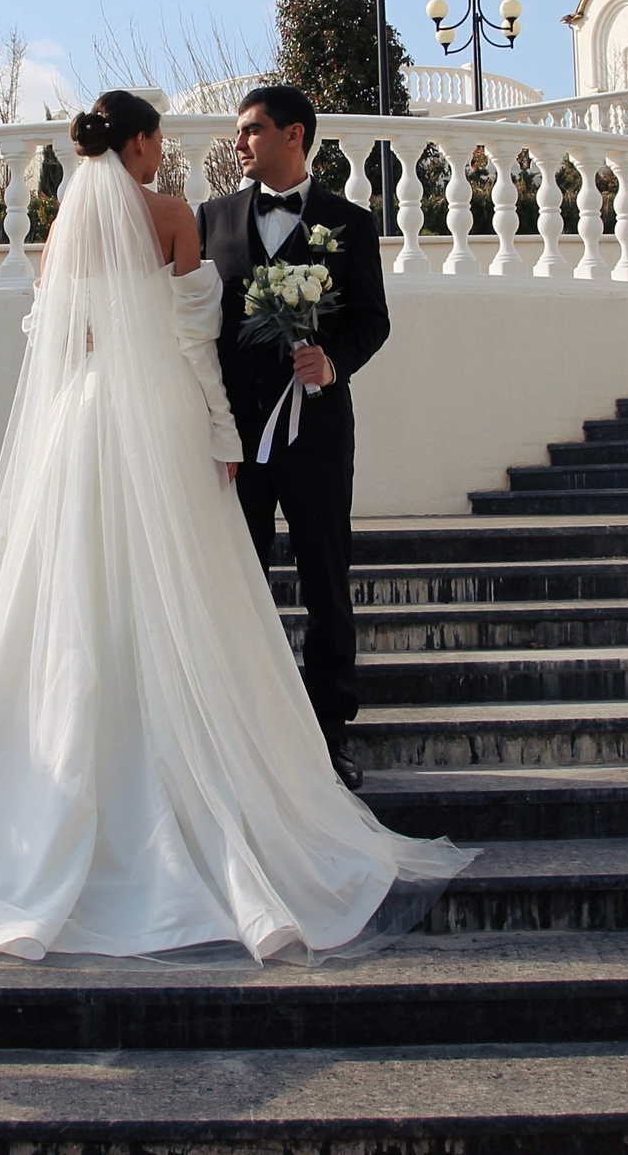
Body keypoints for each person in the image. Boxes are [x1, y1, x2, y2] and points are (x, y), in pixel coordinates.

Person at [0, 90, 471, 963]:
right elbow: (199, 343)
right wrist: (223, 433)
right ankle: (214, 760)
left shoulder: (67, 229)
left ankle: (90, 756)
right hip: (159, 420)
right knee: (195, 586)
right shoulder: (182, 216)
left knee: (87, 589)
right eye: (162, 141)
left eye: (251, 129)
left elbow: (57, 338)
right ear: (144, 142)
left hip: (88, 425)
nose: (193, 150)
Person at [195, 85, 388, 790]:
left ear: (294, 135)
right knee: (235, 587)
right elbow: (198, 328)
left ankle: (330, 734)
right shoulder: (211, 219)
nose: (239, 143)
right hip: (235, 444)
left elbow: (373, 318)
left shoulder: (349, 222)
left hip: (318, 436)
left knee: (326, 583)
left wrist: (333, 361)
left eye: (251, 131)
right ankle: (241, 730)